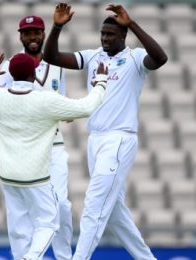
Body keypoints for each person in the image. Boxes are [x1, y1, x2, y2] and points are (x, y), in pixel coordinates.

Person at [43, 3, 168, 260]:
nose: (105, 39)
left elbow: (161, 58)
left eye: (110, 35)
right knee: (115, 213)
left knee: (94, 205)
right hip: (95, 140)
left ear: (123, 36)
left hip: (119, 139)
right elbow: (51, 57)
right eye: (102, 34)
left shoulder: (134, 59)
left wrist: (131, 23)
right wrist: (56, 27)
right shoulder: (94, 56)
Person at [0, 52, 107, 259]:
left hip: (8, 176)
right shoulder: (46, 100)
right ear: (33, 75)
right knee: (49, 223)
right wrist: (100, 84)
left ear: (11, 75)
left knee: (18, 227)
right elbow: (86, 108)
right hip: (36, 178)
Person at [0, 15, 73, 259]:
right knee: (20, 214)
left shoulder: (58, 65)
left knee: (61, 205)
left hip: (53, 145)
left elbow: (62, 103)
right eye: (27, 33)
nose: (32, 37)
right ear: (19, 36)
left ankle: (64, 257)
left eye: (36, 32)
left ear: (43, 34)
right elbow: (1, 104)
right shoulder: (9, 66)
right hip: (22, 150)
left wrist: (66, 111)